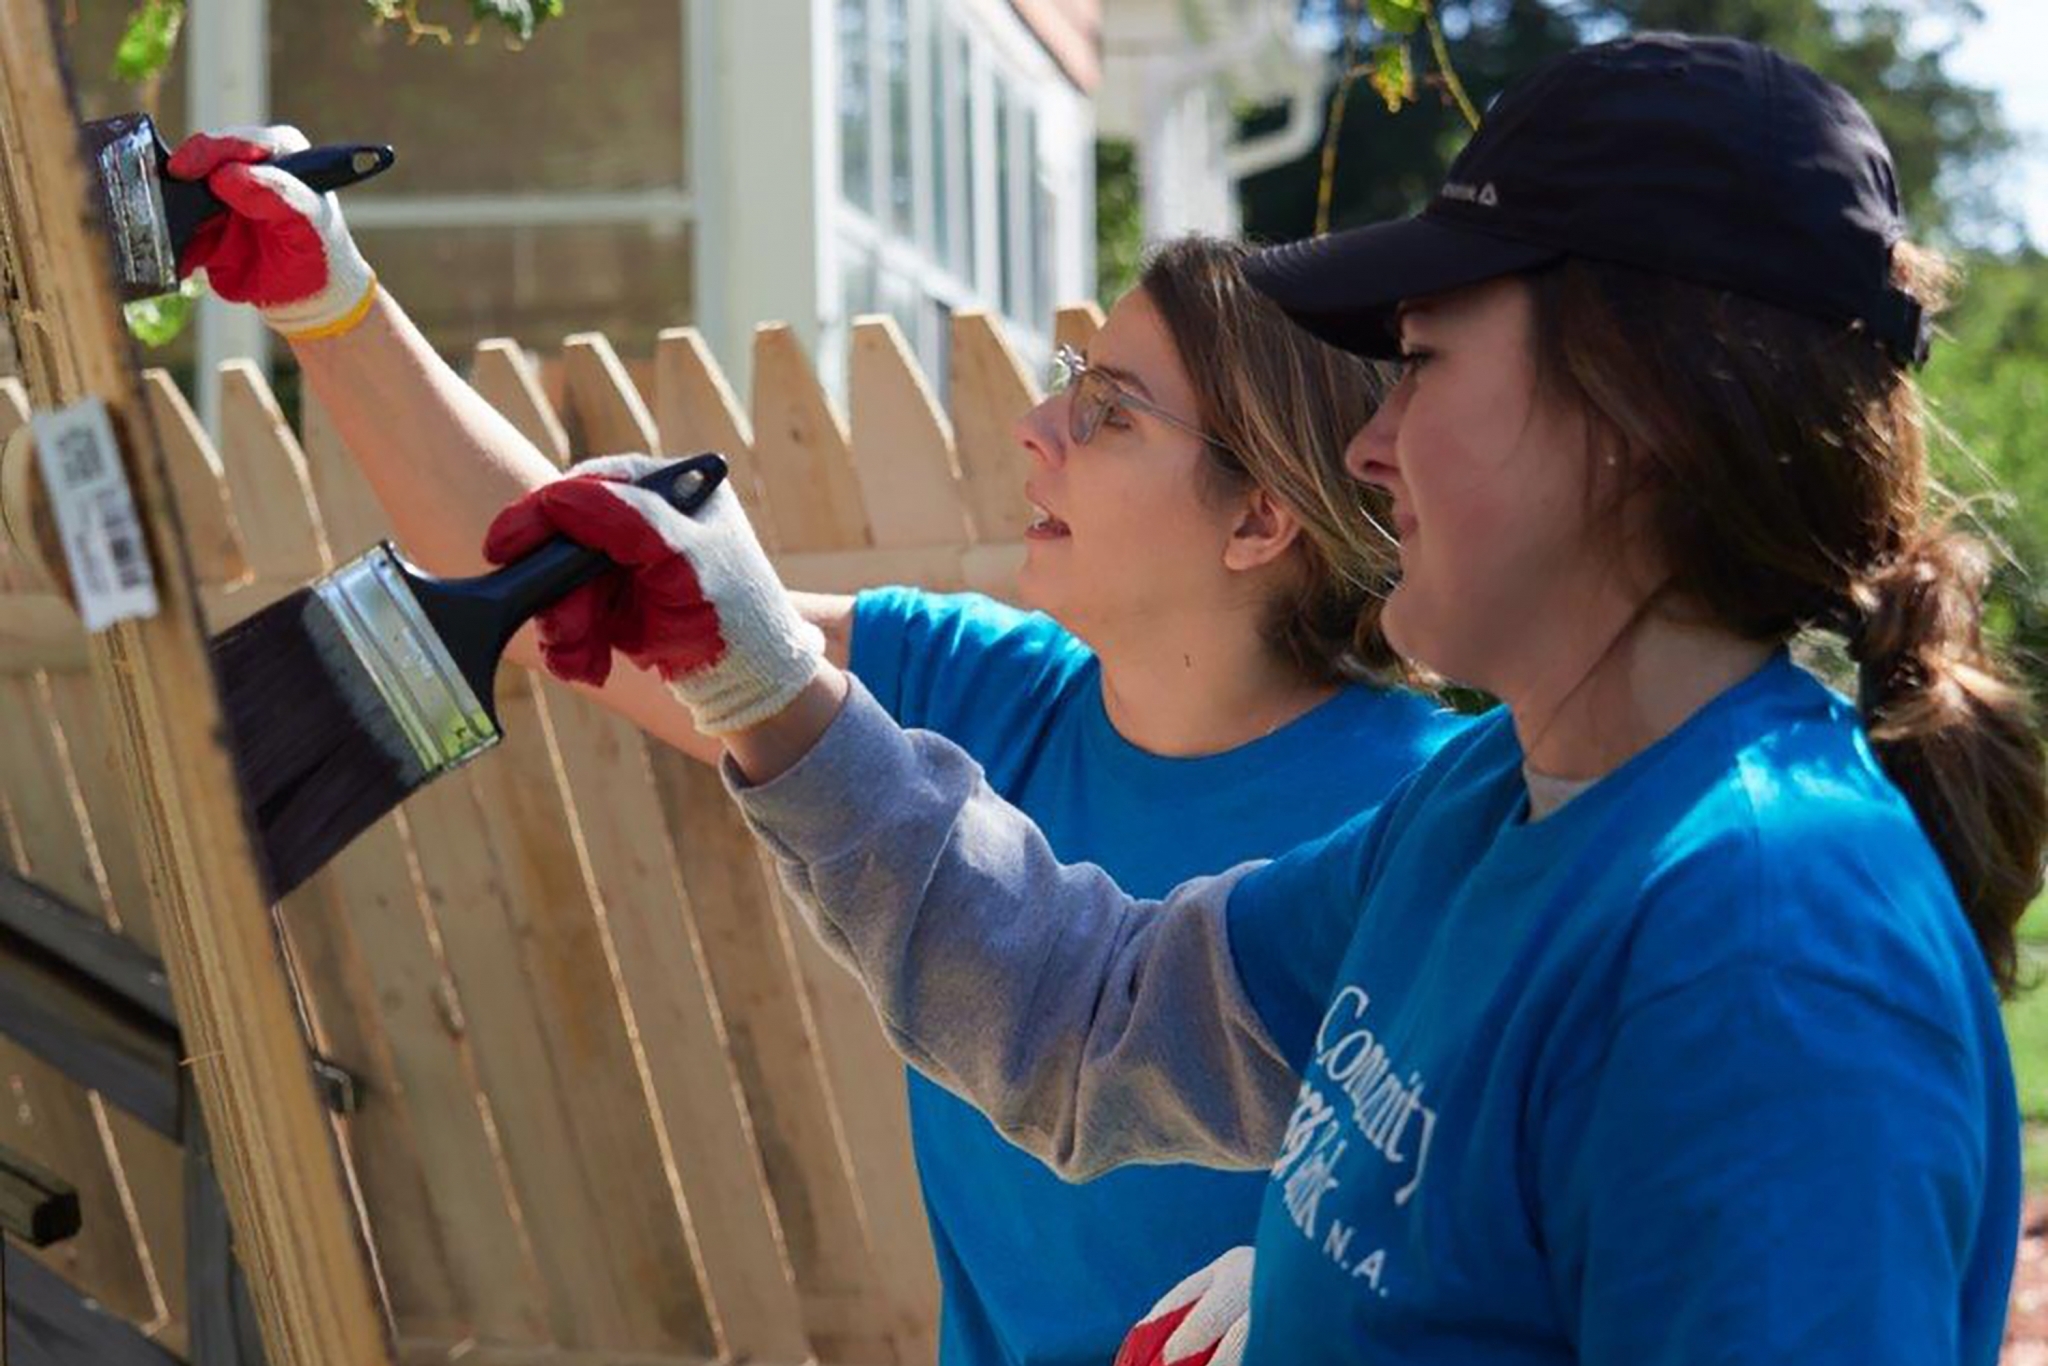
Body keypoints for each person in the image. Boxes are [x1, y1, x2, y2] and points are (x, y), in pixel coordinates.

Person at [469, 32, 2048, 1363]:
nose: (1369, 446)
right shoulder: (1486, 804)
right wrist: (761, 682)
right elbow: (1092, 1018)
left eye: (1421, 361)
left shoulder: (1765, 960)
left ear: (1632, 413)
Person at [164, 130, 1468, 1364]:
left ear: (1259, 522)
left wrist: (1327, 1284)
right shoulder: (978, 689)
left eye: (1111, 413)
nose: (1037, 424)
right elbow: (555, 582)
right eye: (1074, 381)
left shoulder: (1430, 819)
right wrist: (331, 299)